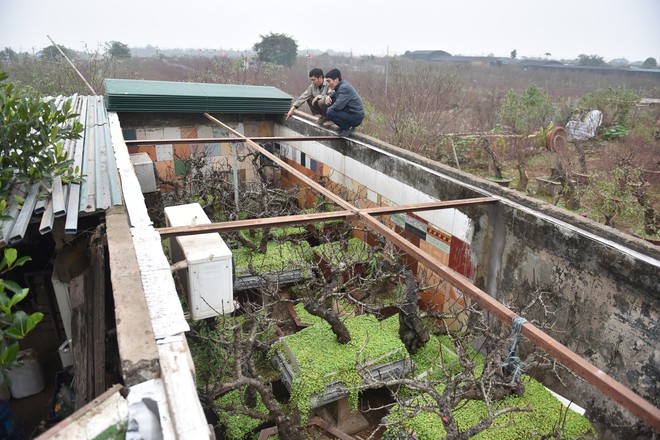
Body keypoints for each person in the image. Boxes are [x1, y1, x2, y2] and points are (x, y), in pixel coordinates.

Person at [323, 68, 365, 137]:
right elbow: (334, 92)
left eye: (328, 81)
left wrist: (329, 109)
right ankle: (343, 127)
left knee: (330, 112)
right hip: (350, 113)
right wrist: (328, 96)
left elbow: (338, 106)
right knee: (330, 100)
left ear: (336, 80)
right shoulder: (341, 85)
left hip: (355, 117)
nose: (327, 84)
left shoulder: (344, 87)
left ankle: (348, 128)